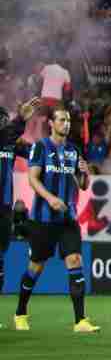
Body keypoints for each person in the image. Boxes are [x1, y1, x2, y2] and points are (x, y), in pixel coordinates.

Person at [13, 105, 98, 333]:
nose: (66, 124)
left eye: (68, 120)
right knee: (36, 267)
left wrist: (85, 172)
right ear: (51, 123)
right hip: (43, 220)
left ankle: (80, 320)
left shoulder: (73, 150)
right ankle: (20, 312)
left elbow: (82, 186)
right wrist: (50, 198)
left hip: (68, 219)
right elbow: (32, 179)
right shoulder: (41, 147)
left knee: (75, 261)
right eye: (61, 120)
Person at [0, 98, 40, 305]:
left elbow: (36, 153)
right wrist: (20, 120)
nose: (3, 124)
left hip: (4, 210)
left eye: (4, 120)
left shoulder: (10, 143)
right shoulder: (8, 137)